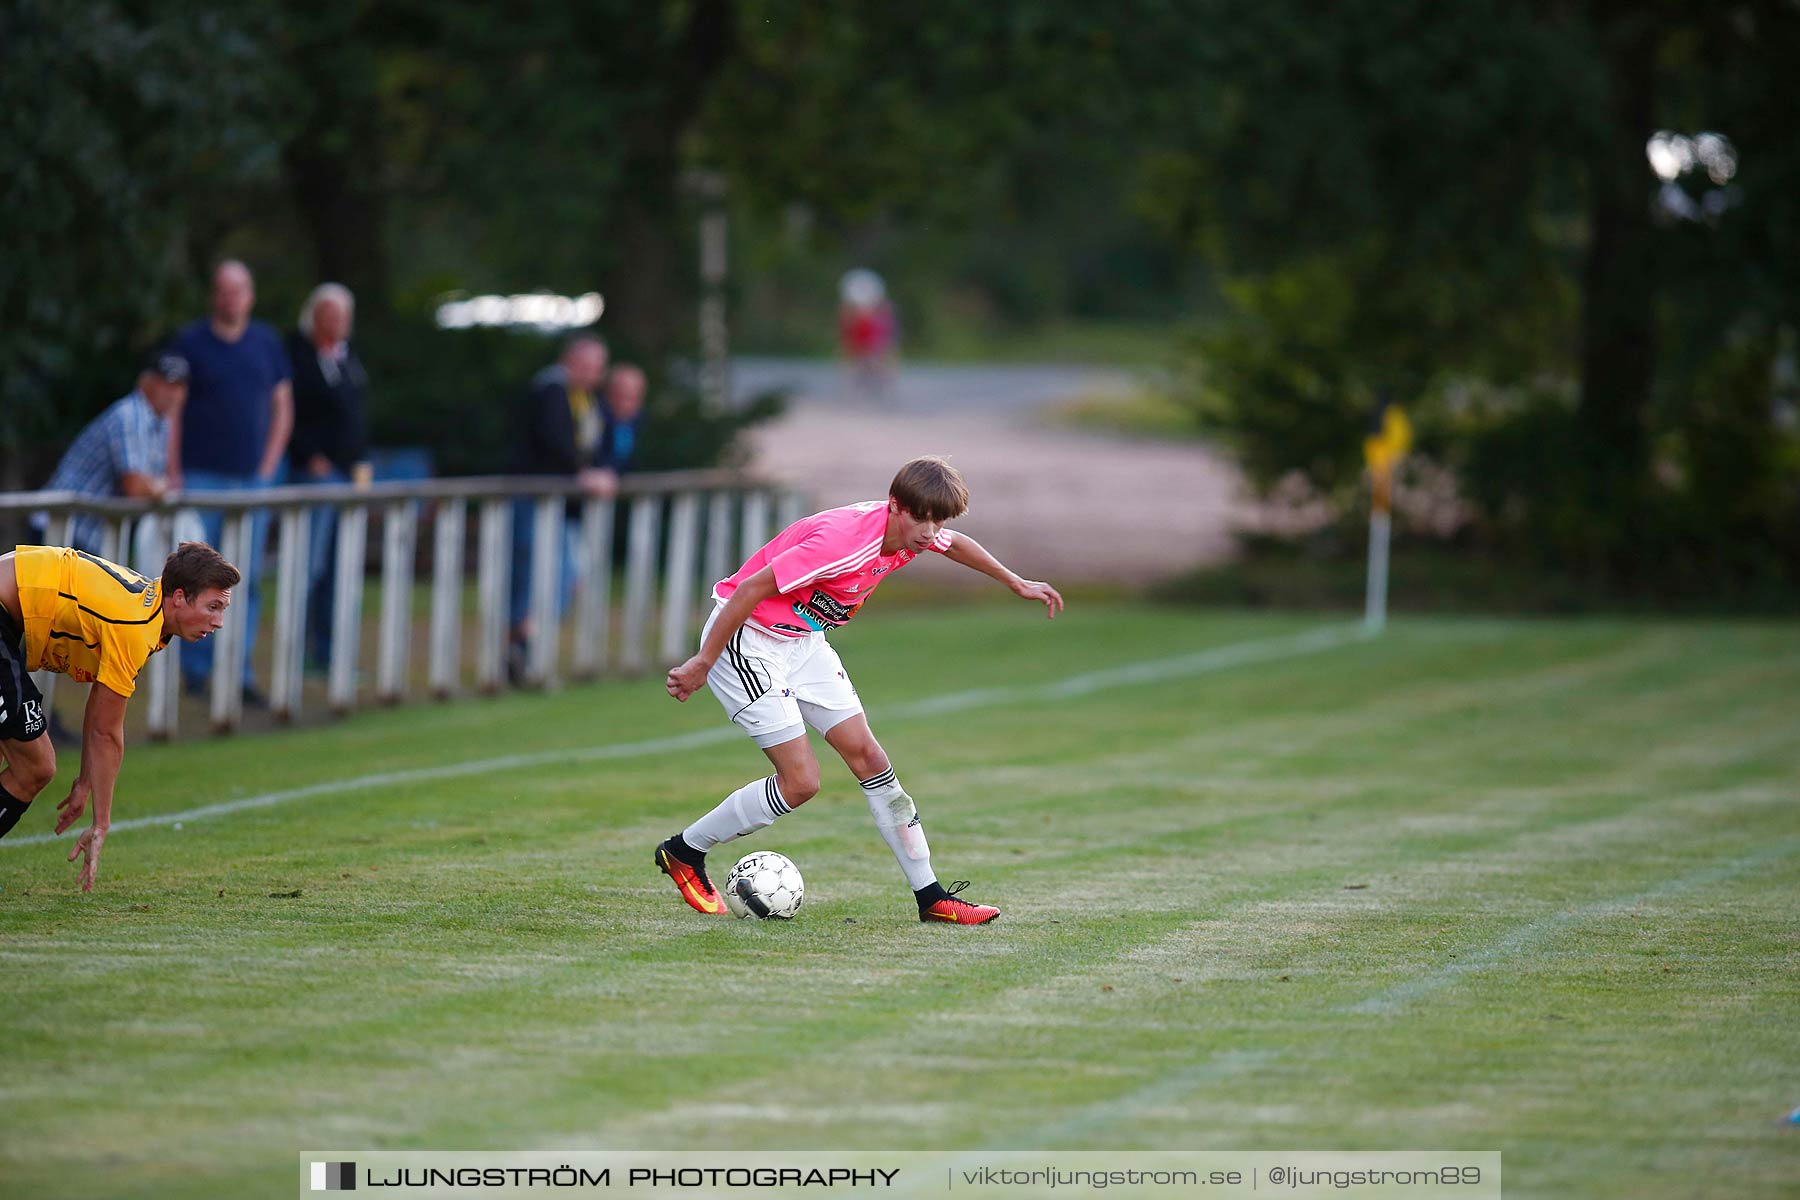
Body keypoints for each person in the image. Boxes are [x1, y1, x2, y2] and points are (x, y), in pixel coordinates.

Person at [659, 456, 1063, 924]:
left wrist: (1014, 581)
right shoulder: (841, 544)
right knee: (802, 783)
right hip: (746, 639)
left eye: (939, 520)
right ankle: (683, 851)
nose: (930, 532)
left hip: (802, 640)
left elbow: (956, 546)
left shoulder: (915, 532)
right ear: (895, 506)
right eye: (922, 518)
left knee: (872, 760)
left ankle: (931, 897)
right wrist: (701, 663)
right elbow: (748, 589)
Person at [0, 541, 240, 890]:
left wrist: (85, 782)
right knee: (35, 766)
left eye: (223, 609)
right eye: (213, 607)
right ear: (178, 597)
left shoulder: (147, 608)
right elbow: (106, 733)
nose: (218, 622)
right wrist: (101, 824)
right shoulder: (134, 625)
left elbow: (99, 706)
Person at [170, 260, 292, 704]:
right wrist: (174, 469)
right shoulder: (191, 344)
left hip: (250, 482)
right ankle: (197, 672)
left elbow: (283, 405)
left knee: (248, 577)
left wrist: (268, 468)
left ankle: (239, 673)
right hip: (201, 478)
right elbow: (174, 409)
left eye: (238, 290)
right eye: (223, 290)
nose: (230, 299)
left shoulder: (266, 343)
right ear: (213, 296)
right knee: (196, 578)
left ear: (250, 295)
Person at [507, 336, 618, 676]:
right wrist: (583, 473)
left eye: (597, 369)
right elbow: (555, 440)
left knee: (566, 578)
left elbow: (593, 442)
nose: (593, 375)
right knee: (538, 576)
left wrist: (600, 471)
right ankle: (518, 645)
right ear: (570, 361)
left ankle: (525, 644)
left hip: (562, 506)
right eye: (587, 367)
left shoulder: (583, 397)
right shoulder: (552, 389)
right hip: (537, 500)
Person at [286, 283, 371, 669]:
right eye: (331, 315)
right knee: (310, 566)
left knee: (342, 568)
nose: (338, 323)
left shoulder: (348, 357)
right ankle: (297, 650)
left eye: (343, 317)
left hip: (348, 474)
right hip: (315, 475)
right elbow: (286, 412)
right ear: (314, 317)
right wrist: (309, 454)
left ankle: (331, 653)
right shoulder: (297, 355)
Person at [33, 350, 189, 554]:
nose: (173, 393)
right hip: (60, 530)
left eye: (179, 386)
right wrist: (161, 487)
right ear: (146, 382)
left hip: (88, 534)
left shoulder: (161, 422)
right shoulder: (130, 415)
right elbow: (136, 487)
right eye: (166, 384)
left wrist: (158, 485)